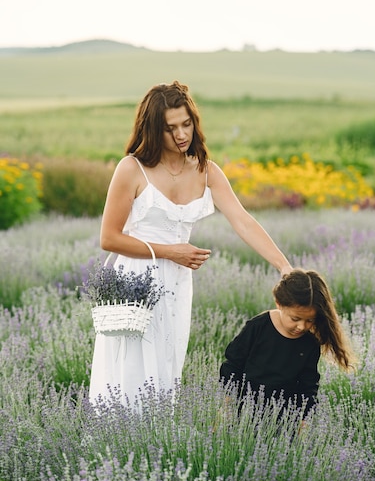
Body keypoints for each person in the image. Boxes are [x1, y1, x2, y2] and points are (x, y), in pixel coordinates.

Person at [89, 81, 293, 409]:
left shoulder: (206, 171)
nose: (181, 134)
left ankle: (156, 450)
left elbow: (243, 221)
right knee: (127, 372)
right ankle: (115, 450)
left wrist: (283, 265)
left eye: (187, 124)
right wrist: (171, 251)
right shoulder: (131, 168)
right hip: (133, 282)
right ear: (154, 129)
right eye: (171, 128)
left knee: (167, 367)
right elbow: (109, 238)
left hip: (177, 284)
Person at [220, 268, 355, 417]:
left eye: (310, 320)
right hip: (244, 411)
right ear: (279, 304)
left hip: (284, 418)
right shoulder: (258, 327)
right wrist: (227, 407)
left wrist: (303, 424)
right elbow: (232, 365)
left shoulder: (310, 343)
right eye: (295, 319)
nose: (302, 326)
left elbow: (307, 387)